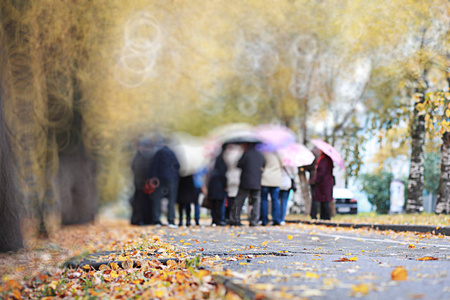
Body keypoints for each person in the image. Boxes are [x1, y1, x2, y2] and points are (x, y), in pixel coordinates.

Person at [229, 143, 265, 226]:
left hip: (246, 181)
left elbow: (239, 164)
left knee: (239, 200)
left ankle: (235, 219)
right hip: (256, 181)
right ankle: (254, 220)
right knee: (256, 201)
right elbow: (263, 165)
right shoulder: (260, 155)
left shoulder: (246, 153)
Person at [148, 139, 180, 227]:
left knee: (157, 199)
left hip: (159, 179)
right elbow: (177, 165)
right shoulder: (172, 153)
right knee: (171, 199)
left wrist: (153, 177)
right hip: (171, 178)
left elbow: (153, 166)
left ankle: (156, 220)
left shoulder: (157, 153)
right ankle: (171, 220)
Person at [130, 139, 154, 225]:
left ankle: (139, 219)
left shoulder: (138, 156)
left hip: (139, 182)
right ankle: (141, 219)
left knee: (139, 202)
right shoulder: (145, 157)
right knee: (142, 202)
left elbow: (133, 168)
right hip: (142, 183)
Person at [206, 145, 228, 226]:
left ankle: (214, 219)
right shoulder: (222, 161)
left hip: (213, 186)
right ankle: (218, 219)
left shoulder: (214, 162)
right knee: (219, 204)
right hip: (219, 187)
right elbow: (223, 175)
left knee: (214, 204)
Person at [310, 150, 334, 220]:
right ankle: (324, 217)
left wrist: (316, 180)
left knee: (324, 200)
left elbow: (321, 172)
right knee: (323, 200)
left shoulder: (324, 160)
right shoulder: (326, 159)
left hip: (323, 183)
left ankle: (325, 217)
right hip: (324, 183)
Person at [260, 152, 282, 226]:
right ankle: (276, 219)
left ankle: (264, 219)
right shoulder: (279, 154)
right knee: (275, 199)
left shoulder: (265, 154)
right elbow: (281, 165)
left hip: (266, 178)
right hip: (276, 178)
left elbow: (262, 165)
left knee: (264, 199)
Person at [223, 143, 243, 223]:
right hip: (238, 177)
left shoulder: (226, 155)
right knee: (238, 199)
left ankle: (230, 216)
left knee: (230, 199)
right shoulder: (240, 154)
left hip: (229, 177)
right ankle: (236, 217)